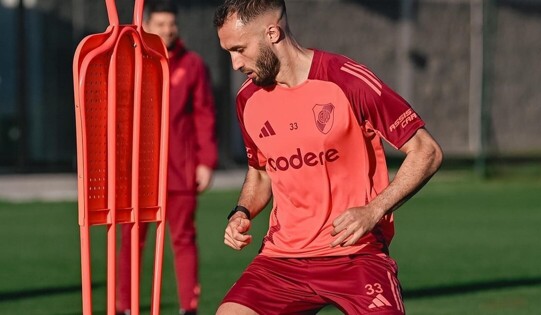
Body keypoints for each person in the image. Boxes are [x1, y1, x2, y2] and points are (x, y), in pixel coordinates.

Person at [212, 0, 443, 314]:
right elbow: (260, 172)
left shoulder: (346, 80)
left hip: (355, 255)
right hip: (282, 262)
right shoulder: (248, 99)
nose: (235, 63)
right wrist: (241, 211)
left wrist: (373, 210)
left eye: (239, 49)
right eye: (228, 52)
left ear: (272, 33)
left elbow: (426, 151)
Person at [116, 2, 218, 315]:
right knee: (132, 241)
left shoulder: (193, 65)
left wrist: (206, 161)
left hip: (180, 171)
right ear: (146, 24)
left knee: (184, 239)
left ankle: (189, 308)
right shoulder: (128, 61)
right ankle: (125, 306)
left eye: (171, 24)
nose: (167, 30)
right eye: (160, 24)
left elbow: (205, 115)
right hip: (137, 172)